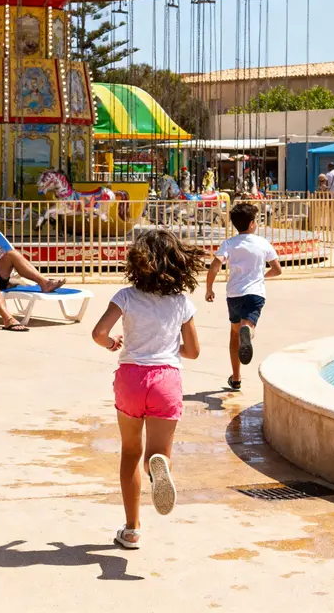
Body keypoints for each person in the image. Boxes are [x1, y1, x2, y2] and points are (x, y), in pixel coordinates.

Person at [90, 229, 204, 551]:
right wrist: (168, 347)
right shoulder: (182, 302)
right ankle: (160, 470)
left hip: (130, 379)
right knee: (156, 455)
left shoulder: (126, 296)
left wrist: (113, 343)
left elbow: (99, 333)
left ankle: (132, 529)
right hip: (166, 380)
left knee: (129, 452)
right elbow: (194, 351)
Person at [205, 202, 282, 391]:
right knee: (248, 327)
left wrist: (209, 288)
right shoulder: (262, 243)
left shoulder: (229, 243)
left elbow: (215, 266)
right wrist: (262, 276)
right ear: (252, 224)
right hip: (255, 293)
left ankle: (237, 378)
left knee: (234, 334)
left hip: (234, 295)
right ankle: (247, 332)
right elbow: (277, 269)